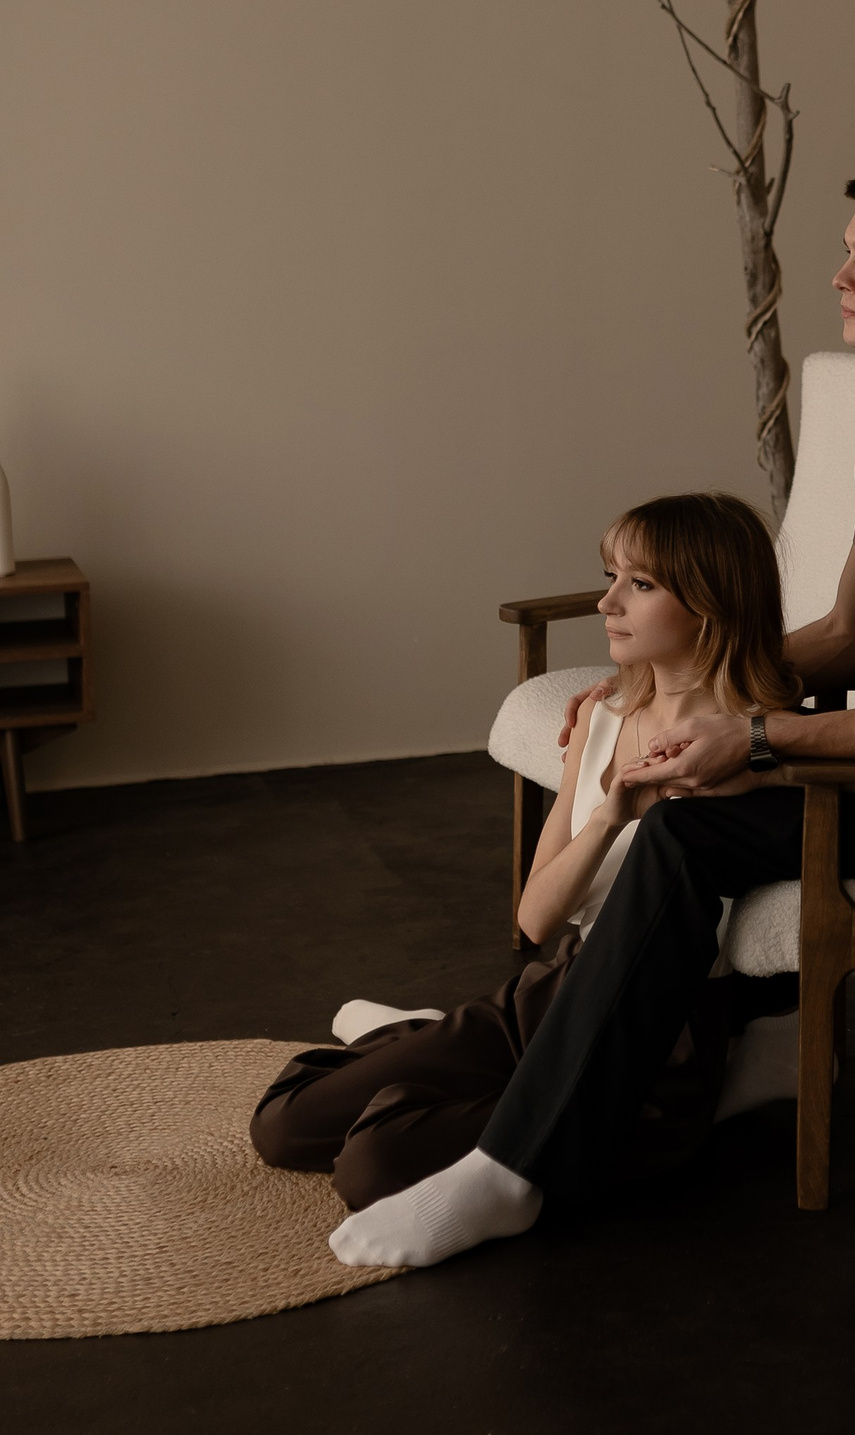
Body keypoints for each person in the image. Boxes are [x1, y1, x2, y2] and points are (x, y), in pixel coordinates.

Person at [327, 154, 855, 1272]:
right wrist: (667, 686)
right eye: (847, 253)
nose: (841, 277)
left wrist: (754, 736)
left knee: (690, 832)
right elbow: (847, 637)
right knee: (691, 805)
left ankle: (516, 1164)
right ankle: (565, 1032)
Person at [250, 493, 802, 1239]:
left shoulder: (756, 751)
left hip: (652, 1035)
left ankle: (711, 1090)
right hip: (551, 991)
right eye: (611, 576)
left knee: (373, 1164)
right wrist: (609, 815)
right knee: (284, 1126)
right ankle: (421, 1038)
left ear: (712, 605)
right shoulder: (602, 717)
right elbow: (536, 919)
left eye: (640, 584)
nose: (606, 602)